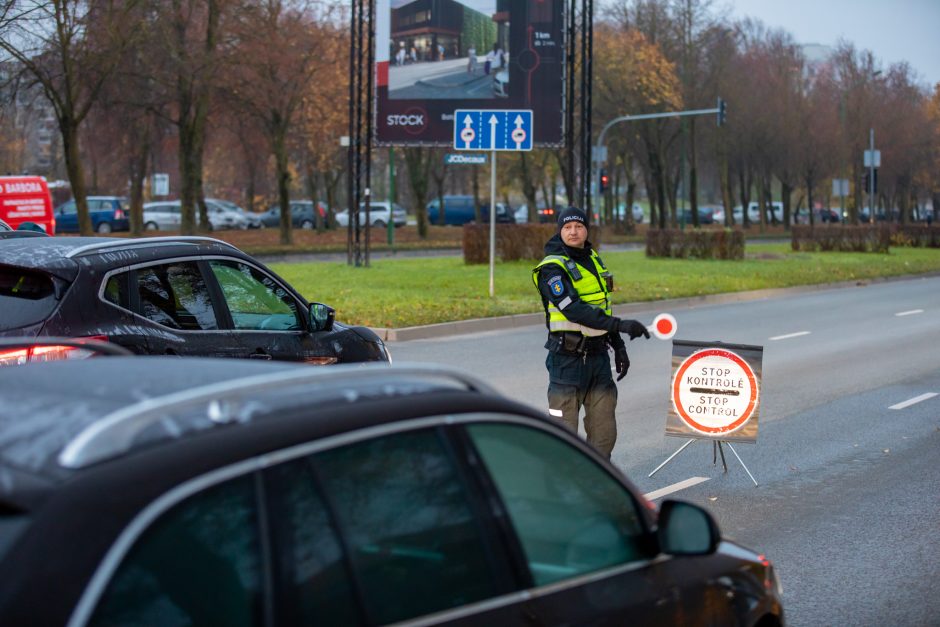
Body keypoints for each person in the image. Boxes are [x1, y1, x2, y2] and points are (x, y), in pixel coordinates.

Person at [532, 206, 650, 459]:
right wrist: (620, 325)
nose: (573, 232)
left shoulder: (594, 260)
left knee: (604, 436)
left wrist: (618, 345)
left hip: (598, 360)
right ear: (559, 230)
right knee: (563, 439)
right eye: (567, 227)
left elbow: (602, 307)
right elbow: (573, 309)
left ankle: (598, 489)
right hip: (565, 361)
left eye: (578, 226)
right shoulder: (551, 269)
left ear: (586, 229)